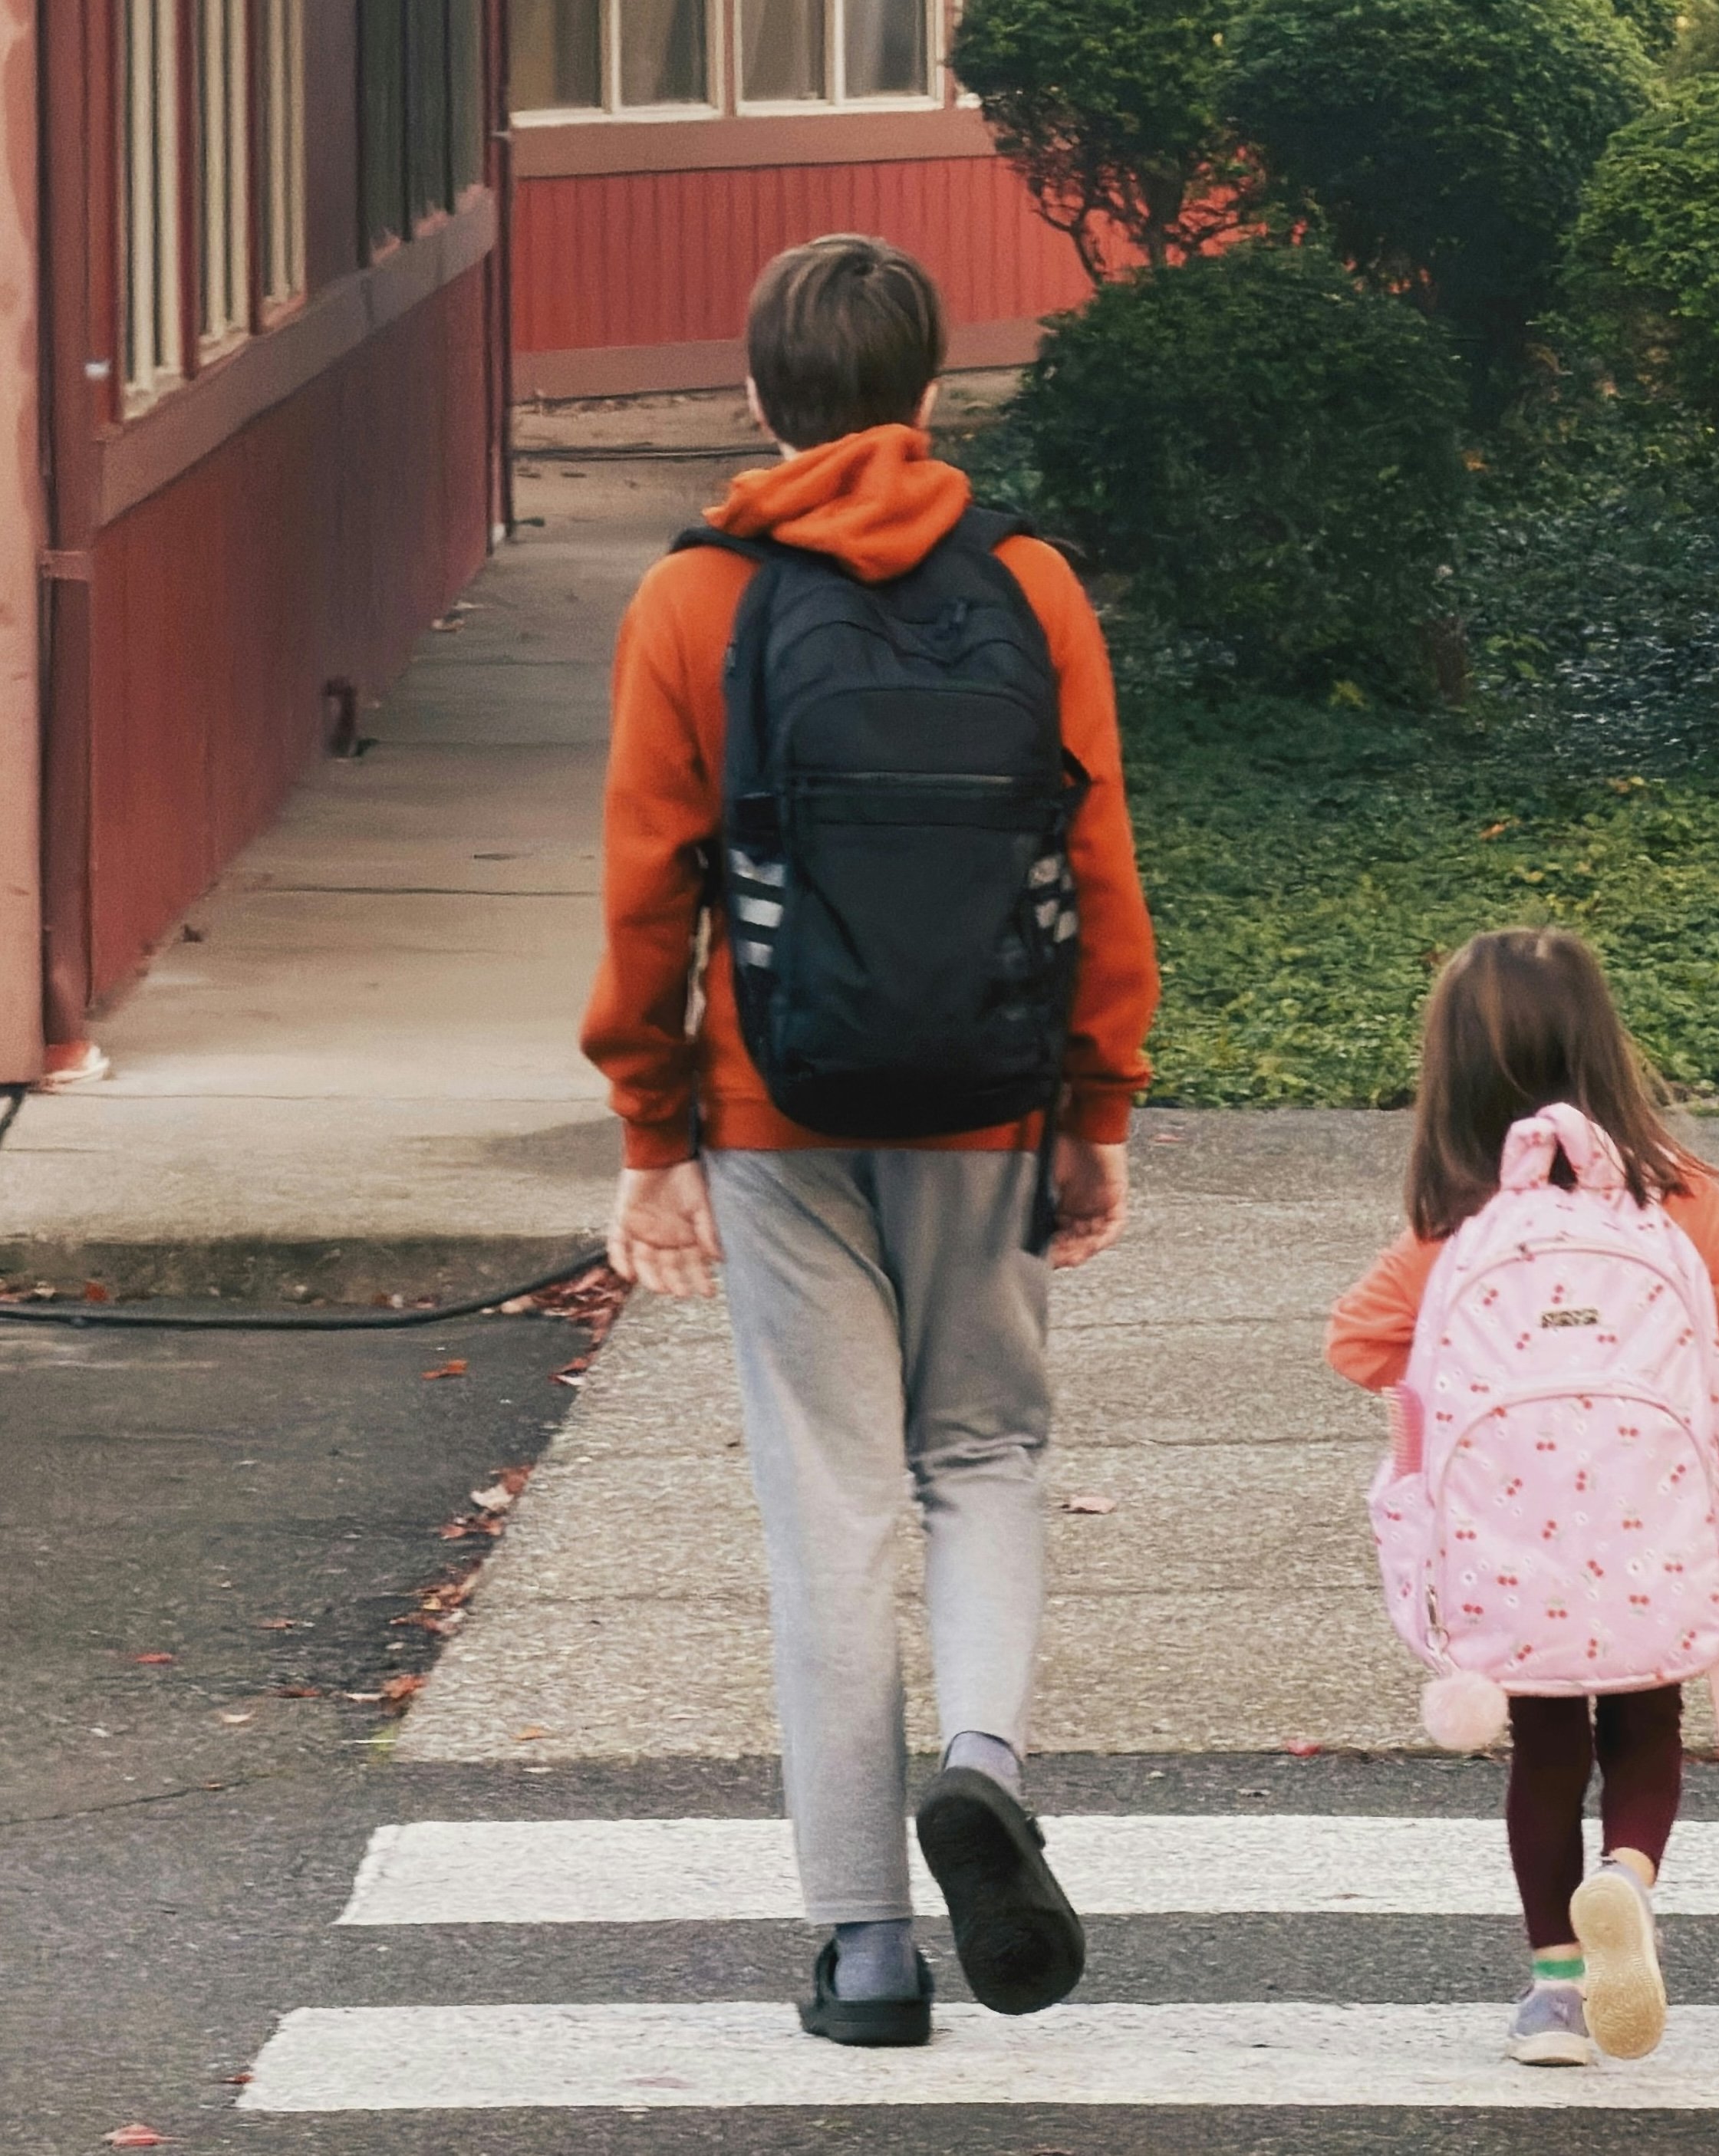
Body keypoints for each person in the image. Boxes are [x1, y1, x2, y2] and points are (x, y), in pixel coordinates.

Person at [581, 234, 1158, 2048]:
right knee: (981, 1445)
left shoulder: (695, 598)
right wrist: (1097, 1107)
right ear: (929, 392)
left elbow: (647, 886)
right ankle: (978, 1760)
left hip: (778, 1100)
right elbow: (1098, 862)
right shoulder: (1034, 584)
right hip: (988, 1091)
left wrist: (648, 1124)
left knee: (827, 1504)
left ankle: (865, 1948)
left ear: (760, 396)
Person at [1328, 928, 1719, 2068]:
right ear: (1606, 1051)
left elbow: (1356, 1346)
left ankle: (1553, 1992)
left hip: (1511, 1550)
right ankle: (1626, 1880)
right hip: (1658, 1535)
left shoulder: (1453, 1223)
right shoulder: (1672, 1195)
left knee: (1545, 1753)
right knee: (1647, 1725)